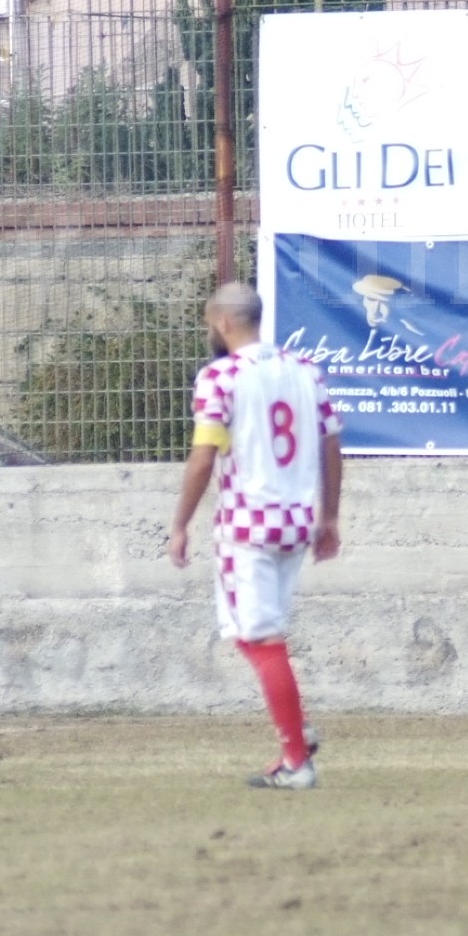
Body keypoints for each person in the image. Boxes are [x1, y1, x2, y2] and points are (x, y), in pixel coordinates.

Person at [169, 281, 343, 790]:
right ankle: (295, 729)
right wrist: (329, 516)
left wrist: (180, 523)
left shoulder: (220, 377)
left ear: (222, 323)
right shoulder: (305, 370)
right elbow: (332, 444)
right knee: (254, 631)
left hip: (247, 525)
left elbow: (205, 453)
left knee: (259, 637)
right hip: (297, 521)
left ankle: (296, 758)